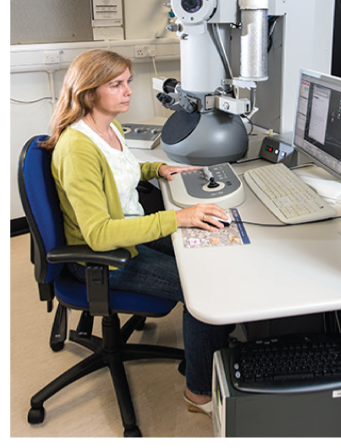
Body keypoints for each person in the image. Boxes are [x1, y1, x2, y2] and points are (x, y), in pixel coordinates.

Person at [41, 49, 231, 416]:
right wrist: (178, 218)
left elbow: (120, 172)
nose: (128, 91)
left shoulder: (108, 127)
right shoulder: (77, 148)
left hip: (130, 233)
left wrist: (157, 168)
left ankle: (207, 353)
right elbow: (98, 234)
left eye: (128, 82)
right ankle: (200, 393)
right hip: (105, 257)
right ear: (88, 92)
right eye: (116, 84)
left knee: (212, 249)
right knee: (203, 290)